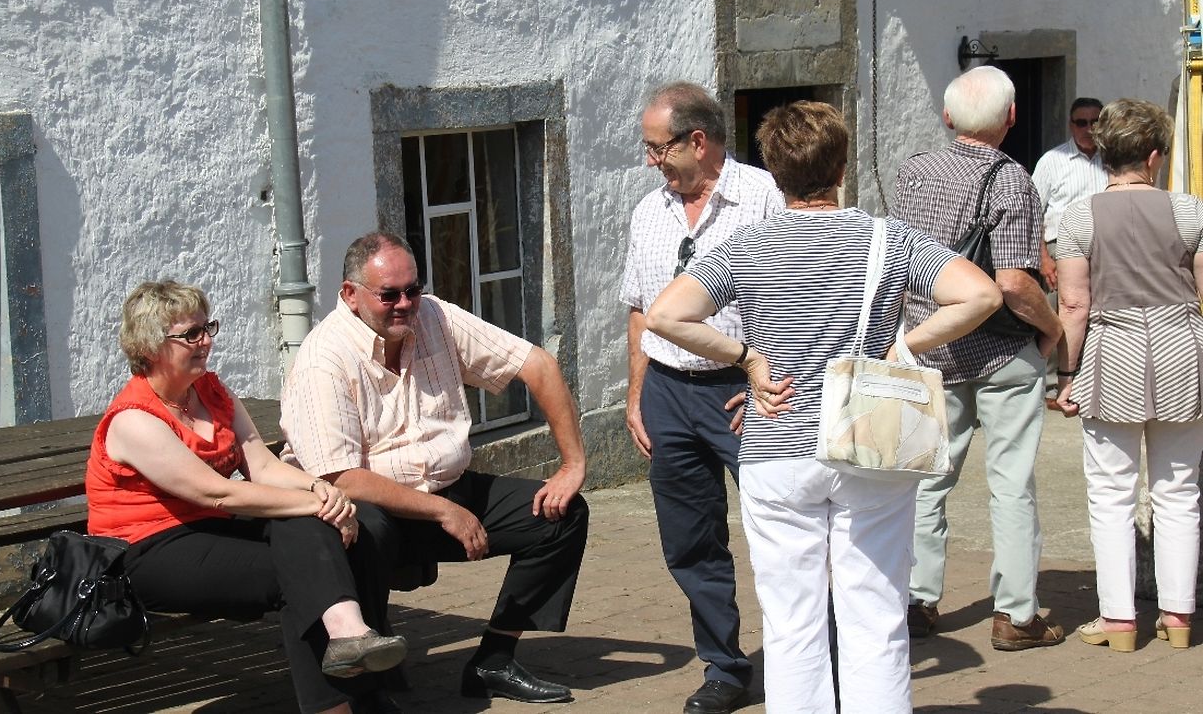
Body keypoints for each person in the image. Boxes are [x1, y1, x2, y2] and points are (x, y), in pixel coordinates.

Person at [645, 101, 1001, 713]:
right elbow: (981, 295)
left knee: (790, 621)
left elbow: (664, 316)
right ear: (841, 167)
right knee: (876, 613)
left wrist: (749, 359)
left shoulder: (746, 245)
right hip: (869, 440)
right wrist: (904, 346)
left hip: (776, 442)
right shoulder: (889, 240)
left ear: (774, 172)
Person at [280, 231, 589, 705]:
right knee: (366, 531)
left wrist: (572, 464)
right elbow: (339, 477)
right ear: (350, 294)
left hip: (447, 489)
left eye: (413, 290)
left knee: (561, 515)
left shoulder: (435, 316)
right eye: (389, 295)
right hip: (367, 506)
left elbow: (539, 366)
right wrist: (444, 512)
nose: (405, 304)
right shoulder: (324, 358)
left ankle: (494, 660)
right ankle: (367, 686)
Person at [86, 280, 407, 714]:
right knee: (300, 571)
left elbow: (264, 468)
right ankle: (340, 702)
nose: (205, 342)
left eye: (207, 328)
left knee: (347, 526)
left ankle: (357, 658)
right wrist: (319, 505)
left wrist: (321, 490)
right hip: (149, 549)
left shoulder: (210, 391)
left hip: (211, 527)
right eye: (190, 334)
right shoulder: (134, 420)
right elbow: (216, 492)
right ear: (150, 346)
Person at [618, 81, 783, 714]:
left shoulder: (763, 196)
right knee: (690, 541)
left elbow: (793, 294)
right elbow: (640, 310)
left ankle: (805, 654)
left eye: (658, 148)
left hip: (744, 393)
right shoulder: (649, 212)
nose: (651, 161)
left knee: (781, 528)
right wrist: (637, 395)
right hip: (668, 392)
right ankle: (724, 668)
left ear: (698, 140)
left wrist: (765, 376)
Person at [892, 65, 1066, 650]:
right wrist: (1053, 329)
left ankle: (917, 601)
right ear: (1011, 117)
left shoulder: (913, 172)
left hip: (932, 344)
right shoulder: (1012, 180)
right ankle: (1015, 616)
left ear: (947, 116)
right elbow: (1014, 283)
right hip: (999, 349)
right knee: (1011, 484)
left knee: (927, 481)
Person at [1054, 99, 1203, 652]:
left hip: (1112, 354)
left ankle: (1118, 618)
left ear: (1104, 155)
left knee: (1112, 491)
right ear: (1154, 156)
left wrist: (1066, 374)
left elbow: (1074, 305)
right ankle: (1178, 615)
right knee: (1180, 490)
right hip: (1182, 352)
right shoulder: (1190, 212)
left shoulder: (1079, 216)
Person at [1032, 97, 1106, 300]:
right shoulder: (1052, 161)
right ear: (1071, 125)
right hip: (1061, 250)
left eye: (1095, 122)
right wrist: (1043, 258)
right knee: (1062, 312)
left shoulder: (1115, 160)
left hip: (1105, 250)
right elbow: (1032, 212)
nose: (1089, 129)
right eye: (1082, 123)